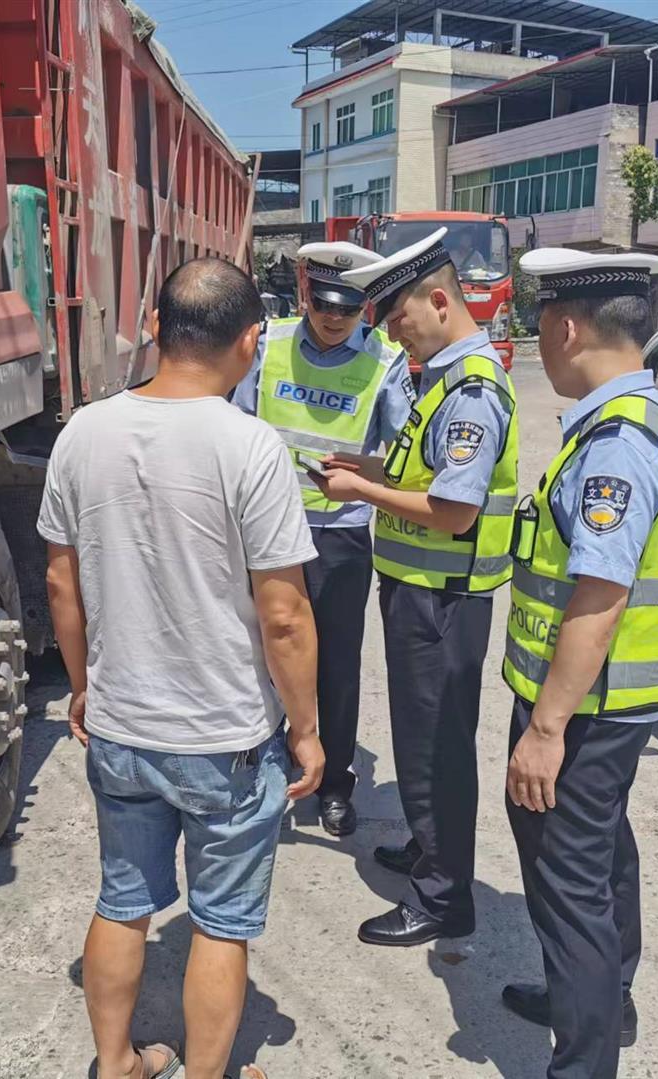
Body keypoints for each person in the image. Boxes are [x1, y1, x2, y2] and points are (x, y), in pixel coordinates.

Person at [39, 258, 324, 1079]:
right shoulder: (250, 447)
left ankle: (116, 1062)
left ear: (156, 326)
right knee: (221, 922)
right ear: (250, 340)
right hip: (222, 738)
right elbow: (282, 613)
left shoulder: (81, 434)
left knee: (122, 902)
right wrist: (305, 729)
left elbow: (62, 581)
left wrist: (86, 682)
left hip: (122, 727)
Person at [500, 248, 658, 1079]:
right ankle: (600, 995)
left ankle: (582, 1058)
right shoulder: (642, 420)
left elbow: (600, 598)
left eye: (539, 330)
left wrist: (545, 726)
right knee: (601, 853)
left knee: (568, 880)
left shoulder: (616, 446)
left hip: (583, 708)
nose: (538, 348)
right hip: (610, 703)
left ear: (566, 327)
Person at [318, 228, 520, 946]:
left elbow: (454, 508)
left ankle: (443, 896)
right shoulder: (438, 378)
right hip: (418, 590)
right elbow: (423, 476)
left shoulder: (469, 391)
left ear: (439, 300)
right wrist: (368, 467)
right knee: (418, 736)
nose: (396, 339)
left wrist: (360, 493)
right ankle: (429, 846)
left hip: (442, 598)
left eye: (399, 321)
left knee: (437, 746)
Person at [232, 240, 413, 836]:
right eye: (325, 304)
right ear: (307, 293)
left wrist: (367, 479)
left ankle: (335, 783)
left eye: (350, 307)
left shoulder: (385, 361)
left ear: (366, 305)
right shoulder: (269, 343)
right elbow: (232, 425)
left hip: (341, 538)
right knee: (260, 653)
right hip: (263, 528)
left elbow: (407, 455)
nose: (334, 319)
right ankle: (264, 769)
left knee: (334, 664)